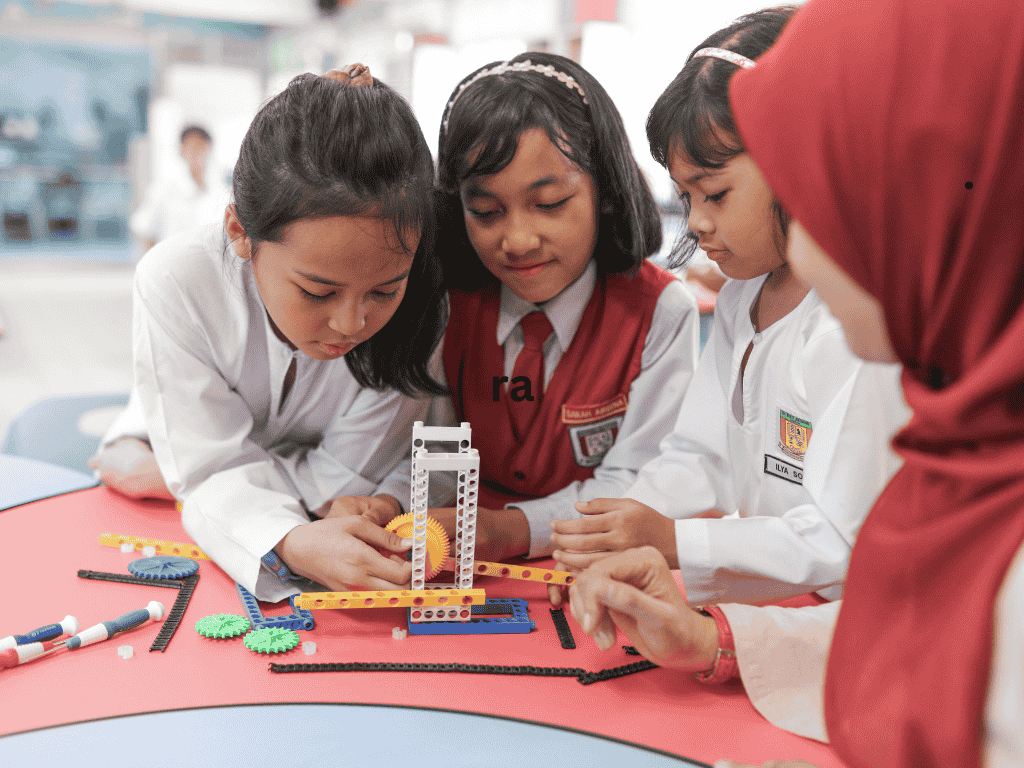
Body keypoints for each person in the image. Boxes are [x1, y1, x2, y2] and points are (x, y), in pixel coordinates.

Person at [568, 0, 1024, 765]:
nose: (698, 224)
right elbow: (902, 646)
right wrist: (673, 569)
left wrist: (679, 548)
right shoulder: (959, 445)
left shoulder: (879, 358)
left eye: (826, 201)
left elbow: (853, 561)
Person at [550, 7, 908, 607]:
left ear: (802, 162)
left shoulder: (855, 325)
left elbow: (842, 536)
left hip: (858, 617)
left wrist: (673, 541)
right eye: (685, 195)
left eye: (715, 194)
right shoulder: (743, 298)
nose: (696, 222)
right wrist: (619, 533)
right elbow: (700, 455)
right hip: (788, 605)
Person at [92, 65, 448, 602]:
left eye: (383, 291)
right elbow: (218, 468)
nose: (351, 324)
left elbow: (342, 478)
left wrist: (177, 478)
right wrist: (288, 537)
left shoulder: (423, 304)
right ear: (240, 232)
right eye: (318, 291)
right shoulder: (178, 281)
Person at [430, 52, 700, 577]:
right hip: (460, 567)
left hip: (595, 570)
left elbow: (640, 482)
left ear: (606, 190)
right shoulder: (448, 307)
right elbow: (430, 459)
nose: (518, 240)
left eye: (550, 202)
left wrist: (513, 529)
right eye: (485, 212)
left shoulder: (660, 314)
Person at [129, 124, 230, 252]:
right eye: (191, 148)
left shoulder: (220, 191)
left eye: (200, 147)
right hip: (171, 261)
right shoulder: (164, 188)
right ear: (181, 151)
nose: (195, 154)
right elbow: (144, 229)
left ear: (209, 149)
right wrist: (155, 261)